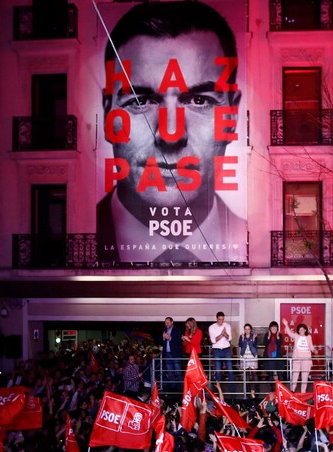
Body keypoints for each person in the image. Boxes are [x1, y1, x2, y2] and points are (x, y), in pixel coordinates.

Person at [96, 0, 246, 265]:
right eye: (141, 102)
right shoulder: (84, 239)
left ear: (232, 115)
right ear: (108, 113)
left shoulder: (250, 240)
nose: (171, 134)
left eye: (200, 101)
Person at [283, 321, 314, 394]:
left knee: (305, 376)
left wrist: (314, 350)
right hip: (297, 358)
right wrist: (286, 325)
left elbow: (311, 346)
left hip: (306, 359)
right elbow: (289, 333)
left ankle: (303, 392)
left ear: (305, 330)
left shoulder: (309, 337)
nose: (301, 331)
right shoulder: (296, 335)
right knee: (295, 375)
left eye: (302, 329)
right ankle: (292, 391)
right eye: (300, 330)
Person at [208, 312, 232, 382]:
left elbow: (229, 338)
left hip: (226, 349)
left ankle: (233, 388)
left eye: (222, 319)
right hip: (216, 350)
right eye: (219, 319)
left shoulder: (227, 326)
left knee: (230, 369)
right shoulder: (212, 327)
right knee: (218, 370)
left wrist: (225, 334)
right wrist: (222, 334)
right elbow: (213, 340)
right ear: (216, 319)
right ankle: (218, 389)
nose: (221, 321)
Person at [161, 317, 183, 391]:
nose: (166, 324)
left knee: (178, 372)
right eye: (165, 322)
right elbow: (159, 341)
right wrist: (163, 338)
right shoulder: (164, 330)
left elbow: (179, 342)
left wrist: (170, 338)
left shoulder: (177, 330)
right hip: (167, 354)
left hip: (176, 354)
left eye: (168, 322)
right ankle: (173, 388)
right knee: (170, 372)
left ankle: (181, 388)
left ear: (172, 322)